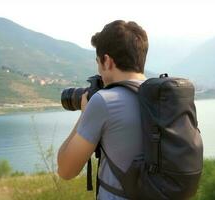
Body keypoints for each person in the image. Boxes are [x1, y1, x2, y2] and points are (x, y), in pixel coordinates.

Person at [57, 20, 149, 200]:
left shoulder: (105, 101)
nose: (99, 70)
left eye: (98, 62)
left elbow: (65, 170)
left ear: (107, 62)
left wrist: (85, 113)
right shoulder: (160, 96)